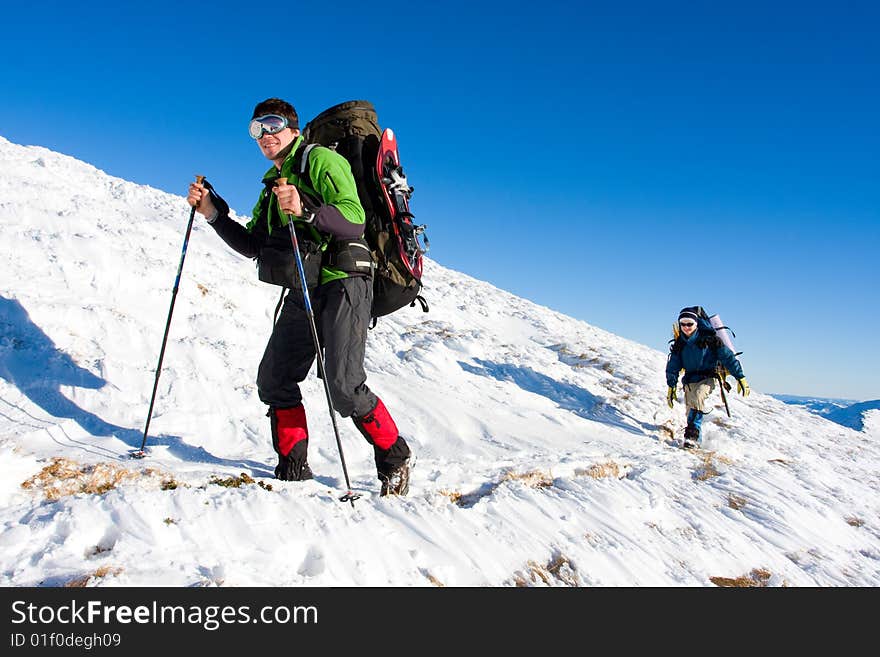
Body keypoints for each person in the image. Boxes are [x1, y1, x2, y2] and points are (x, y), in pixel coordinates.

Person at [186, 98, 412, 495]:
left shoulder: (321, 160)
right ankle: (293, 470)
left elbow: (354, 219)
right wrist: (213, 213)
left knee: (344, 386)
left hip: (346, 278)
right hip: (305, 284)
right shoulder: (273, 184)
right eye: (256, 129)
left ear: (294, 129)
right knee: (274, 378)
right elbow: (256, 245)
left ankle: (395, 459)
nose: (265, 135)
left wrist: (306, 209)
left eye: (272, 125)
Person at [665, 306, 749, 448]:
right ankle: (697, 441)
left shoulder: (710, 340)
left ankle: (691, 437)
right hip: (690, 380)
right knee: (691, 409)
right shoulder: (680, 344)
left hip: (708, 377)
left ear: (696, 323)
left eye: (689, 323)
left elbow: (728, 358)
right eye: (683, 324)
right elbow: (673, 367)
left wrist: (740, 378)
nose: (686, 327)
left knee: (698, 398)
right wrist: (671, 386)